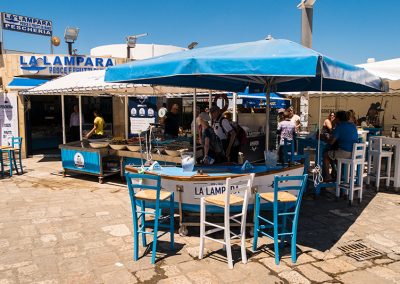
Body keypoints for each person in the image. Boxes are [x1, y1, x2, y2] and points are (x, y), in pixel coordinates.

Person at [323, 110, 358, 181]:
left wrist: (325, 138)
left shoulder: (339, 127)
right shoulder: (353, 126)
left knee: (326, 155)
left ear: (338, 119)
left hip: (345, 153)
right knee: (333, 154)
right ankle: (338, 173)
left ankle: (327, 176)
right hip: (354, 153)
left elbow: (331, 142)